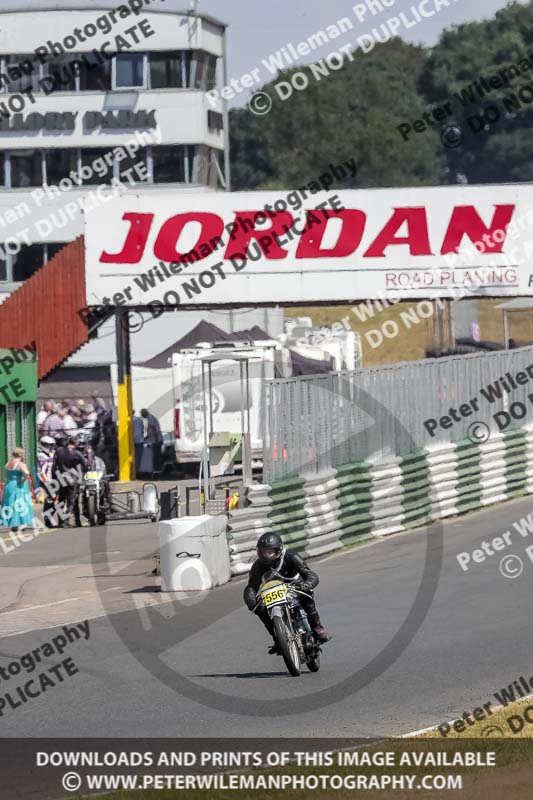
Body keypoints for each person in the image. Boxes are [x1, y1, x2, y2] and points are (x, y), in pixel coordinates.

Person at [243, 531, 331, 655]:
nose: (267, 555)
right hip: (274, 591)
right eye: (264, 552)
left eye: (270, 552)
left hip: (296, 586)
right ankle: (277, 638)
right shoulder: (258, 565)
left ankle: (317, 627)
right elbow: (251, 586)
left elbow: (309, 574)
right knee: (260, 609)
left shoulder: (291, 556)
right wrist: (251, 600)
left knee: (307, 600)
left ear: (278, 550)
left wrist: (307, 584)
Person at [53, 437, 88, 528]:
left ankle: (61, 520)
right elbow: (87, 464)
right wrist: (89, 453)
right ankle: (66, 520)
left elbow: (54, 465)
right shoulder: (77, 453)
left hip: (61, 478)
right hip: (72, 479)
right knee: (71, 501)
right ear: (76, 443)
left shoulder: (59, 450)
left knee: (61, 500)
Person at [0, 448, 34, 530]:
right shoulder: (20, 464)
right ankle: (21, 523)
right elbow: (27, 473)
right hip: (18, 486)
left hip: (9, 485)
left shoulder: (8, 463)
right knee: (20, 503)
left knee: (10, 503)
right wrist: (23, 480)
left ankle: (13, 524)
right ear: (21, 455)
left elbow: (6, 473)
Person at [37, 436, 57, 528]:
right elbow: (41, 471)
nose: (50, 447)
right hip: (46, 481)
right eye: (48, 445)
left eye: (51, 445)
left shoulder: (51, 454)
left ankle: (49, 519)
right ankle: (47, 521)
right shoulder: (41, 455)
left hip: (53, 481)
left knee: (53, 501)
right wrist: (46, 482)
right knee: (49, 501)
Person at [140, 408, 163, 474]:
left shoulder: (150, 418)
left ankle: (158, 468)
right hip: (156, 439)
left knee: (157, 455)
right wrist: (146, 437)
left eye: (142, 414)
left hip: (156, 440)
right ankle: (158, 468)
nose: (142, 415)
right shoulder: (150, 417)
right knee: (157, 454)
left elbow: (153, 428)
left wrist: (155, 439)